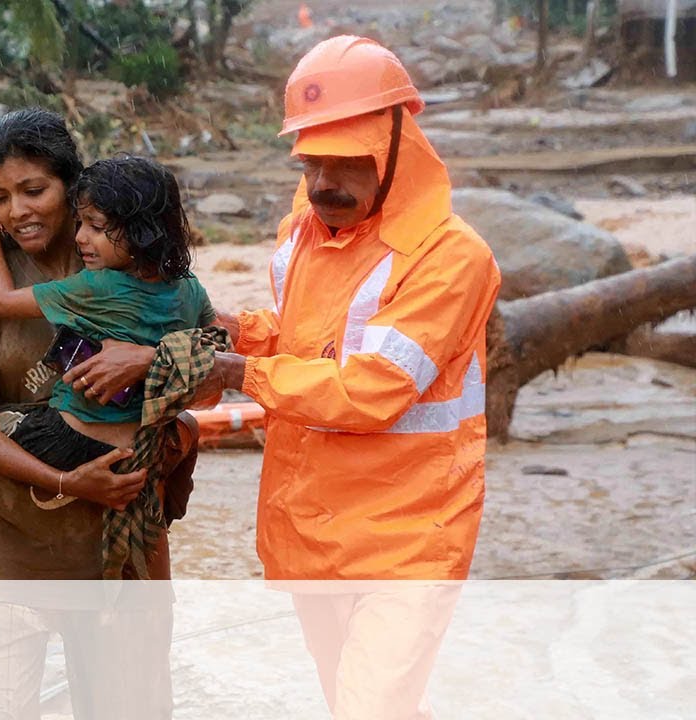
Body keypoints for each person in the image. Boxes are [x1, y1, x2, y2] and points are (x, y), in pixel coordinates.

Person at [192, 36, 502, 718]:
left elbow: (373, 388)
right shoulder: (302, 232)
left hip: (409, 536)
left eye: (347, 164)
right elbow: (309, 343)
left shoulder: (451, 258)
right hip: (313, 524)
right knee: (354, 704)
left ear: (396, 147)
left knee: (369, 708)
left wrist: (239, 370)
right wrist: (232, 330)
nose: (325, 183)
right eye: (312, 164)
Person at [0, 109, 180, 718]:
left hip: (119, 544)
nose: (17, 211)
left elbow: (210, 371)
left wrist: (148, 360)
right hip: (7, 540)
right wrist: (60, 479)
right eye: (0, 197)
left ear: (73, 186)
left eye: (35, 190)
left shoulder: (136, 264)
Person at [0, 155, 213, 579]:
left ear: (142, 231)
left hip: (69, 440)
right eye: (80, 223)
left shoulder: (96, 286)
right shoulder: (190, 290)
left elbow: (2, 301)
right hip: (142, 452)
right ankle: (174, 489)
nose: (81, 238)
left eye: (97, 227)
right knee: (185, 427)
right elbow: (213, 349)